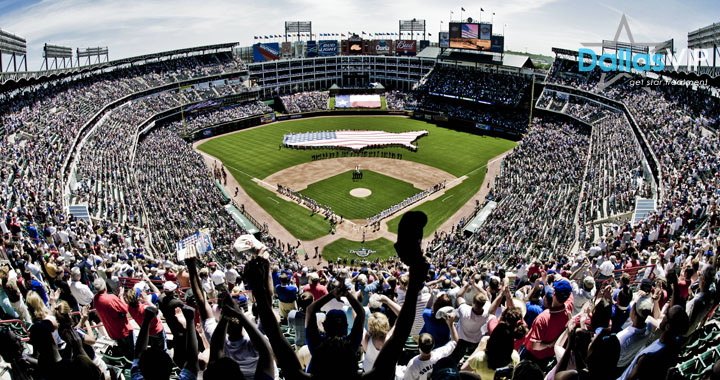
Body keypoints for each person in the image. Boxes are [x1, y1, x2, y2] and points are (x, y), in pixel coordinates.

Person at [618, 305, 690, 380]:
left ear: (668, 326)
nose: (663, 316)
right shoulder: (674, 344)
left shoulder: (648, 356)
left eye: (666, 314)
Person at [522, 280, 574, 367]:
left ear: (554, 294)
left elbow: (535, 346)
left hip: (534, 356)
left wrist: (550, 344)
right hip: (549, 355)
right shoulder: (569, 306)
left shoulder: (543, 318)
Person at [92, 278, 134, 358]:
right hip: (123, 330)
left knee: (124, 350)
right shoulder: (111, 298)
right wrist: (121, 296)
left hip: (112, 331)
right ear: (105, 287)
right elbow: (125, 309)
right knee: (132, 351)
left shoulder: (95, 299)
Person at [450, 292, 490, 363]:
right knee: (473, 361)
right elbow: (485, 294)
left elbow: (459, 296)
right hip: (476, 341)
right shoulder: (487, 312)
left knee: (455, 360)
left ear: (473, 302)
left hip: (461, 340)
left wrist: (468, 284)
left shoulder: (464, 309)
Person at [616, 296, 655, 370]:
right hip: (627, 363)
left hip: (617, 365)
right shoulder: (649, 326)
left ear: (633, 311)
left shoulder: (622, 337)